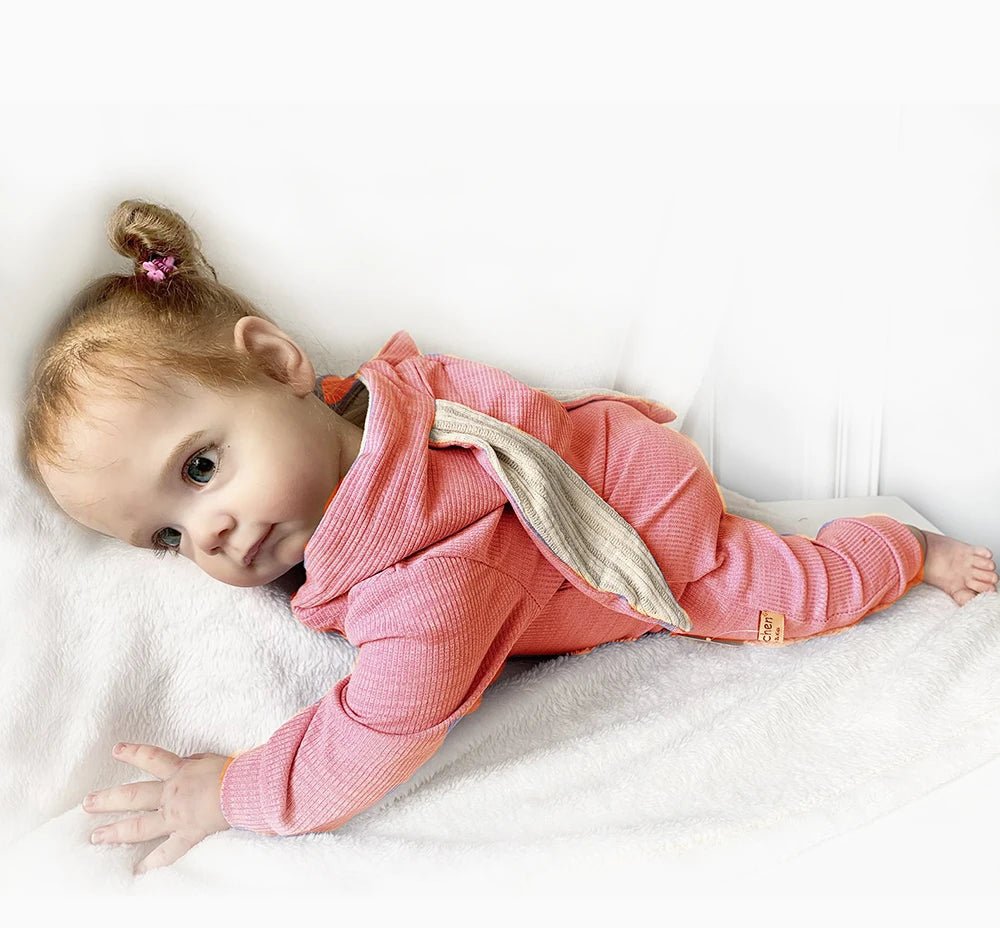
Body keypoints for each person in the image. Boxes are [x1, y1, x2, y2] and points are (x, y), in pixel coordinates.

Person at [19, 199, 997, 876]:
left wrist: (232, 791)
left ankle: (899, 550)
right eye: (165, 536)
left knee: (776, 600)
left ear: (275, 361)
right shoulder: (367, 415)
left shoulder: (425, 579)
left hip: (648, 525)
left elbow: (374, 733)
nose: (212, 532)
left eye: (200, 468)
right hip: (589, 452)